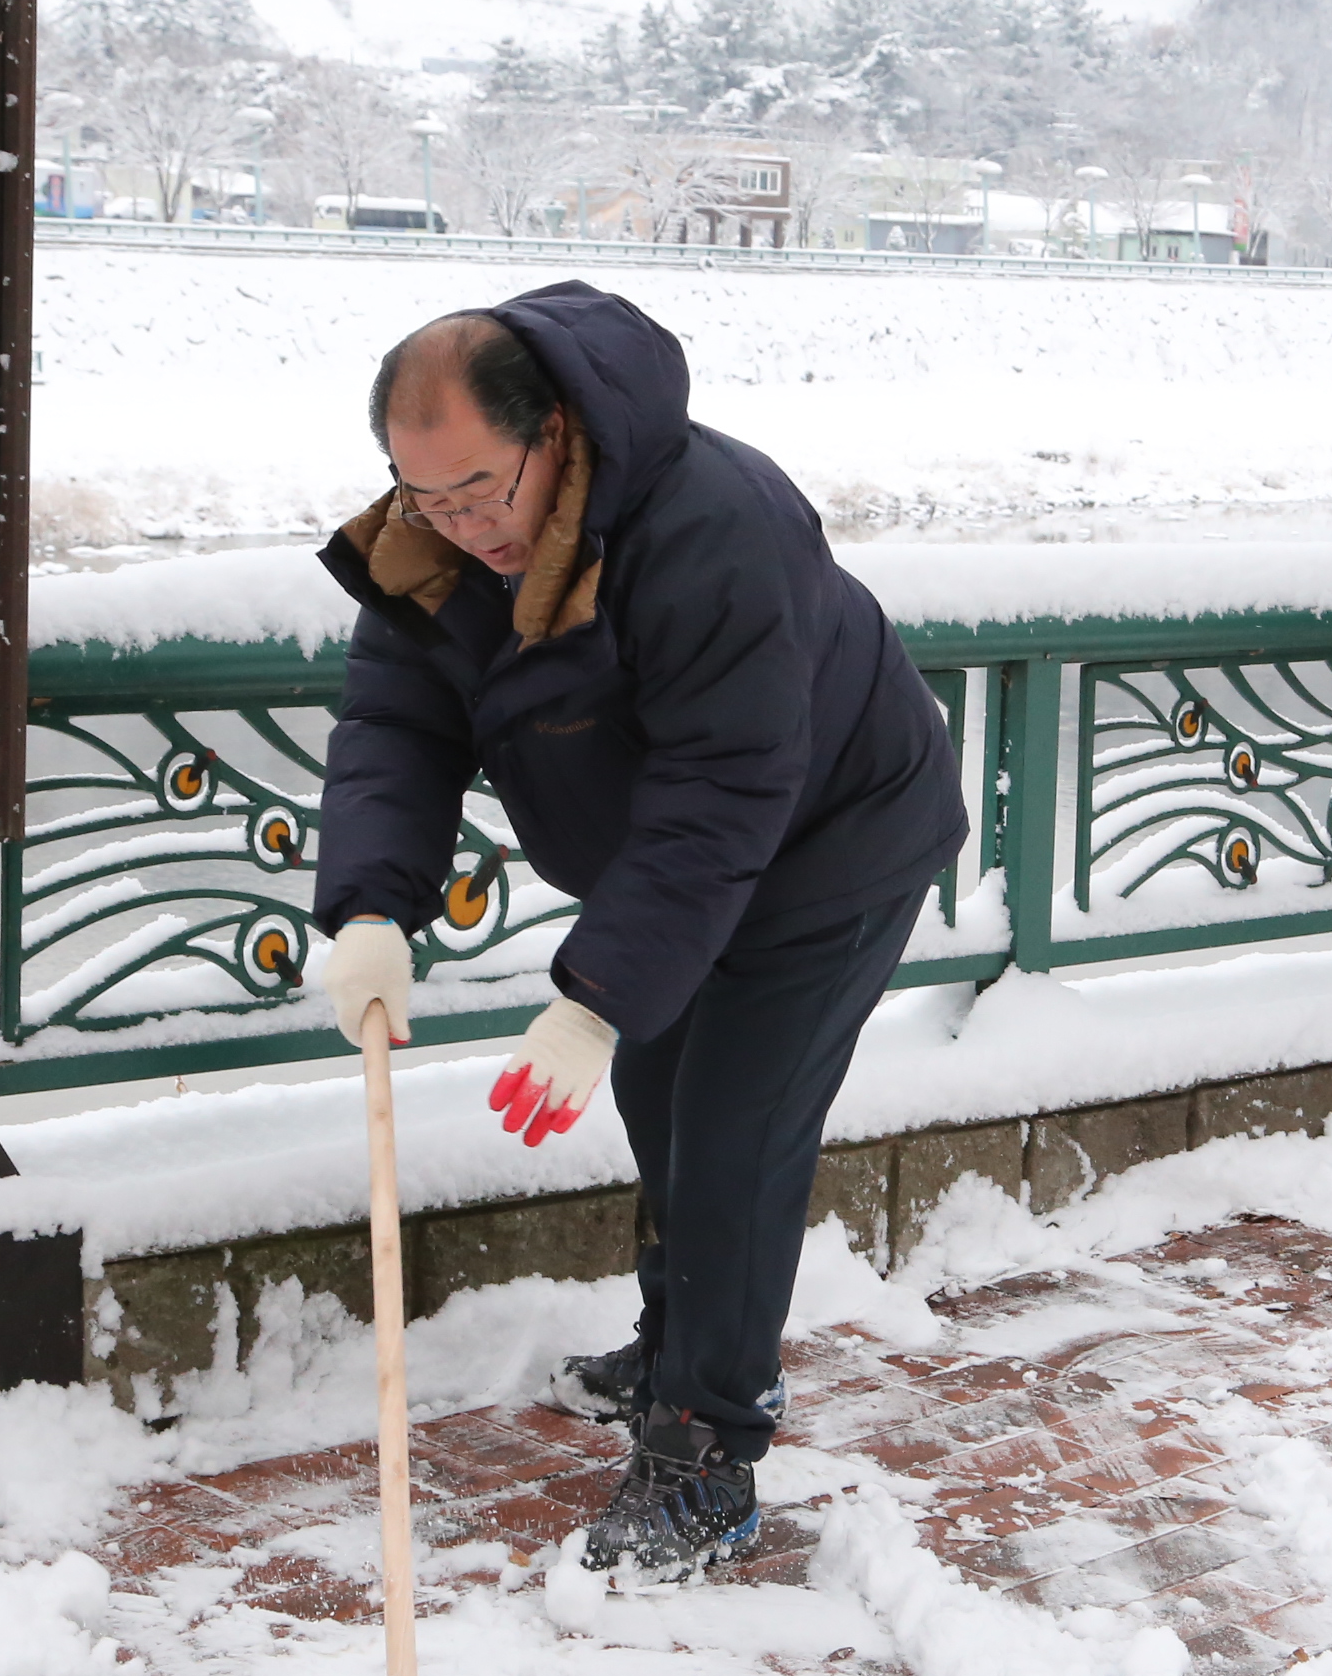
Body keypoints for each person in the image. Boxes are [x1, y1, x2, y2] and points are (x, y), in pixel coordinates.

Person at [309, 283, 967, 1572]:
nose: (459, 527)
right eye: (422, 495)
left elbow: (723, 788)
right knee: (664, 1107)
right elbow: (397, 723)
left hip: (826, 847)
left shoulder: (714, 524)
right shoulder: (442, 536)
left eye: (482, 493)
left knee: (732, 1132)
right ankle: (680, 1354)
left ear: (553, 433)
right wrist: (373, 905)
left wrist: (598, 992)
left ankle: (705, 1452)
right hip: (672, 865)